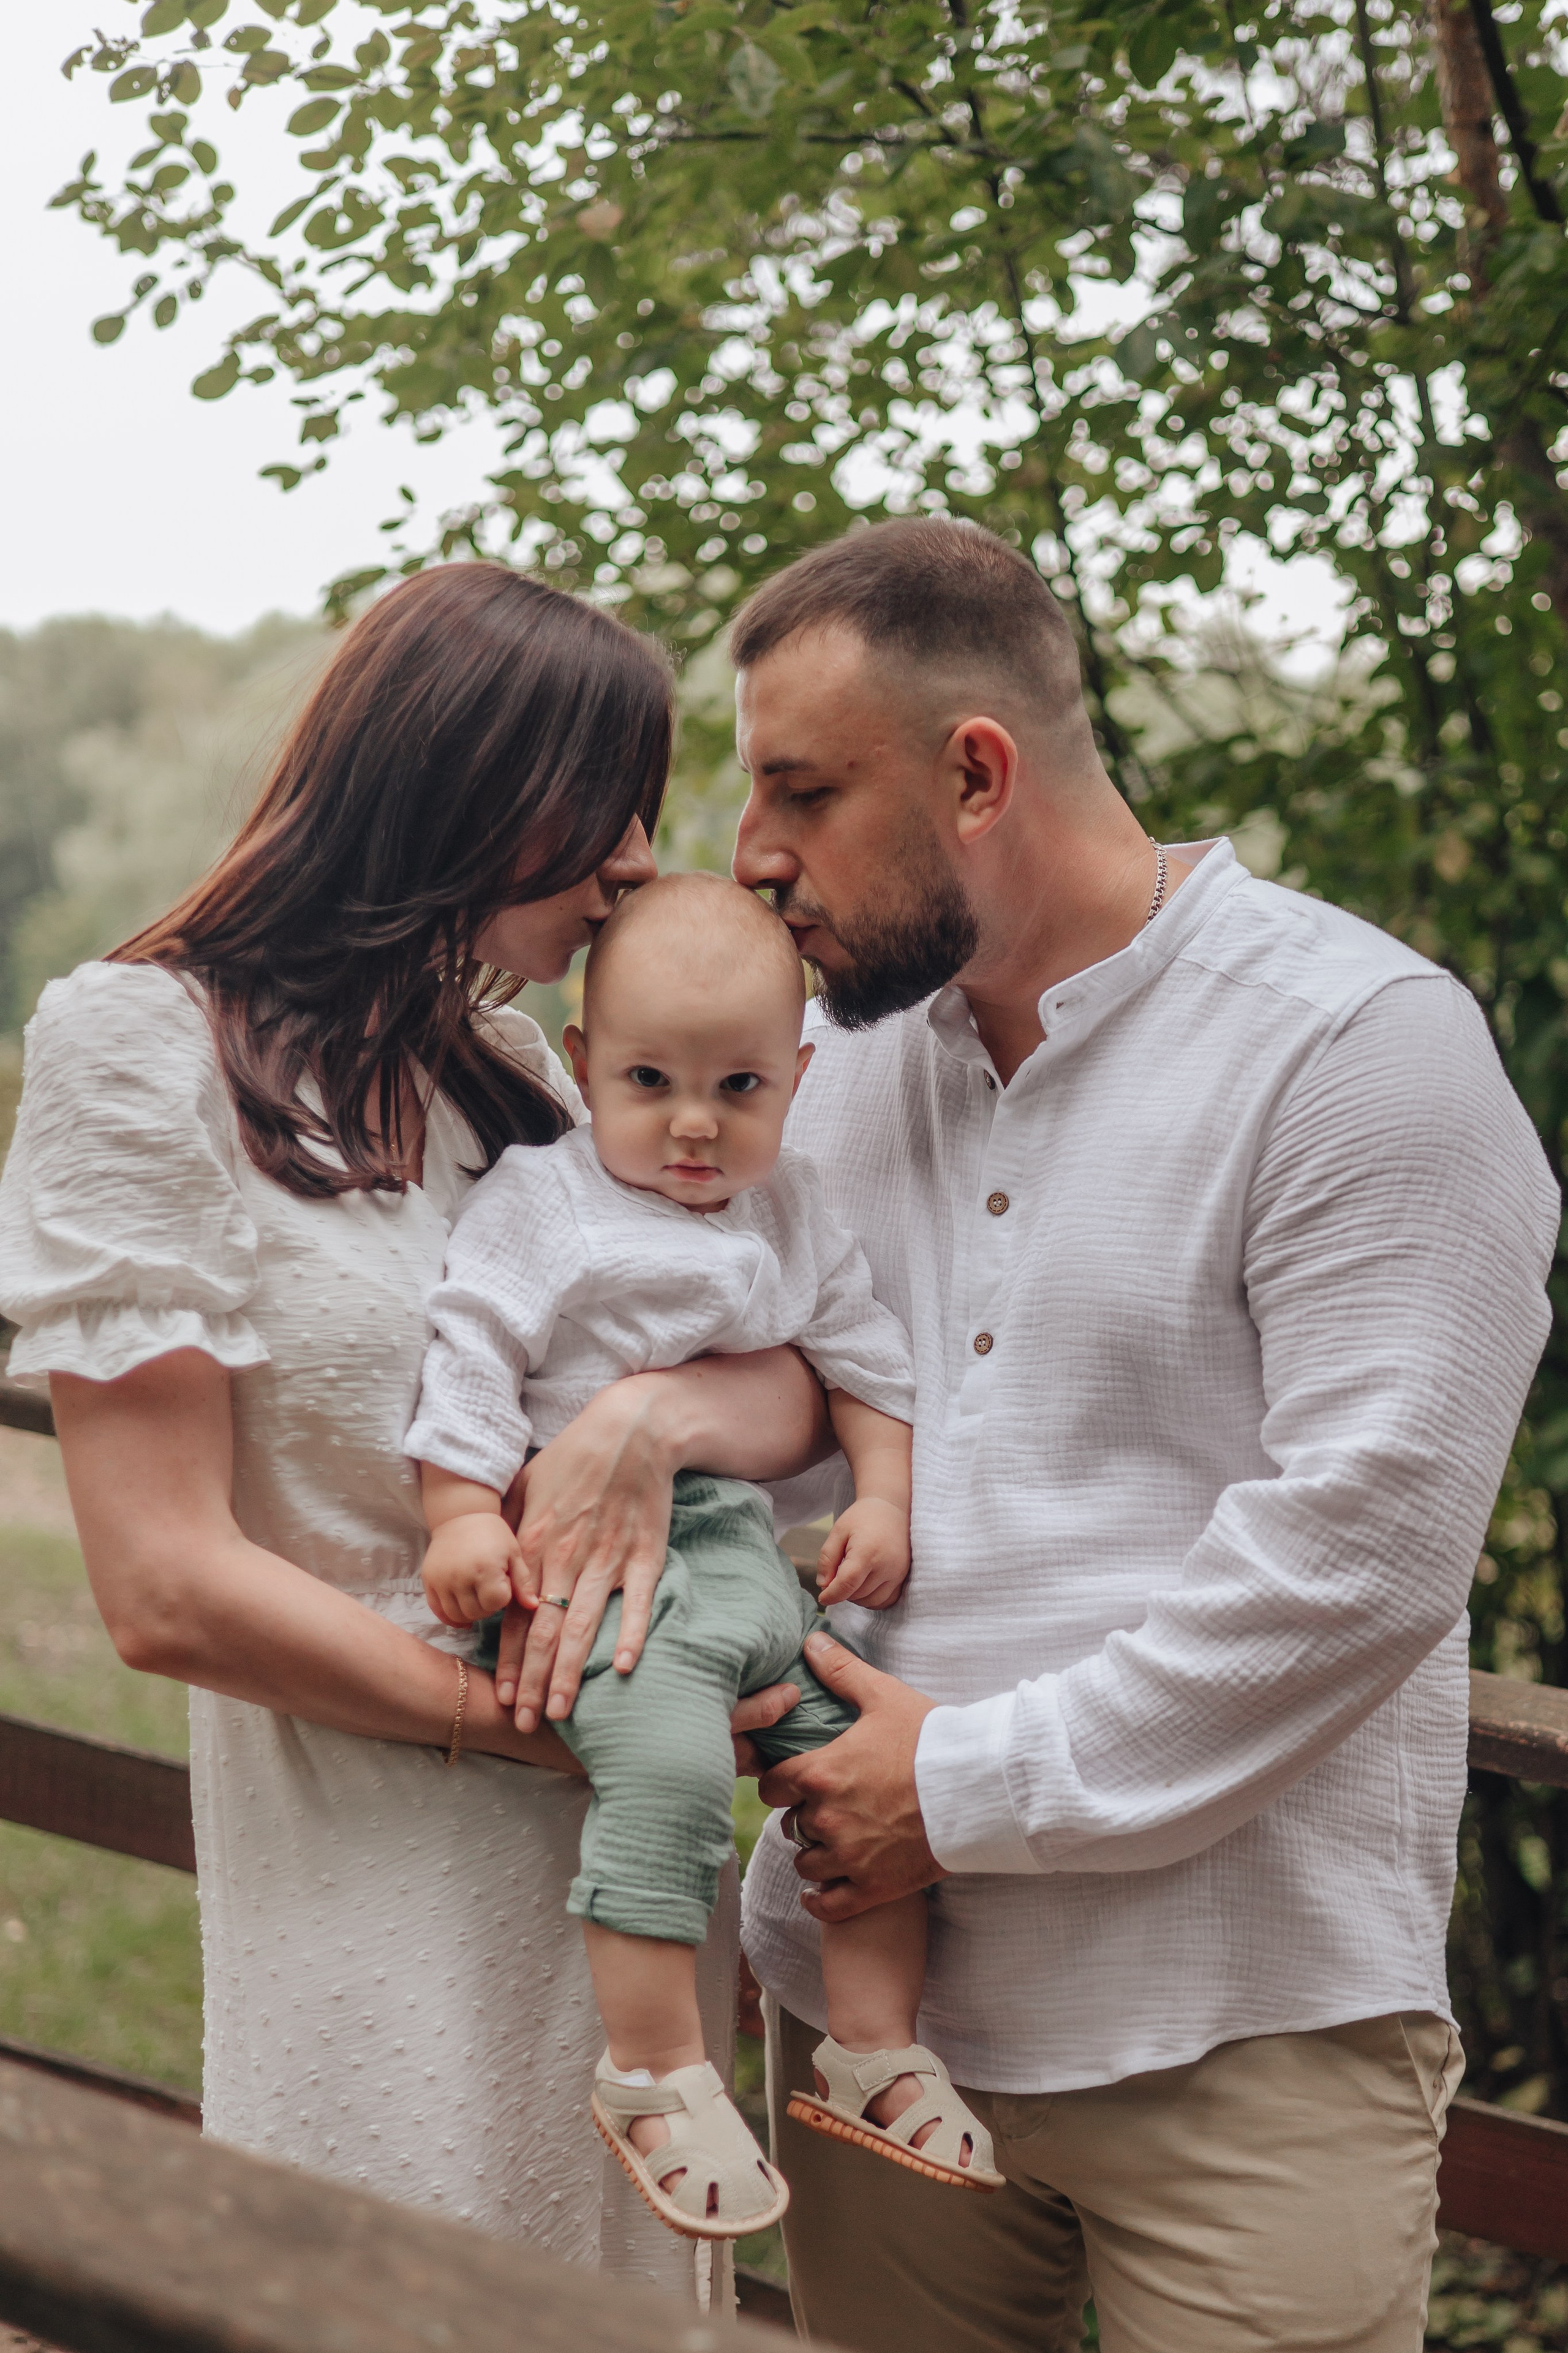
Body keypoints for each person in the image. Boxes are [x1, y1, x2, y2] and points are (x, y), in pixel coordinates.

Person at [713, 518, 1559, 2352]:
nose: (750, 854)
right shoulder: (833, 1065)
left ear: (977, 773)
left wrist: (950, 1789)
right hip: (868, 2013)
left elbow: (1362, 1552)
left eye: (799, 789)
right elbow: (775, 1416)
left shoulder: (1359, 1049)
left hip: (1248, 2025)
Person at [0, 564, 819, 2302]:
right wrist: (535, 1731)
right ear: (453, 775)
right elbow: (164, 1589)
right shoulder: (147, 1050)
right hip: (380, 1865)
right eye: (598, 799)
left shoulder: (521, 1075)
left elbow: (788, 1371)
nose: (631, 857)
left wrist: (656, 1420)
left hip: (620, 1887)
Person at [409, 871, 1001, 2242]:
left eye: (738, 1085)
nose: (693, 1122)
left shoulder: (790, 1208)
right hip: (586, 1574)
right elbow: (472, 1356)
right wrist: (458, 1518)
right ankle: (658, 2069)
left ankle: (869, 2046)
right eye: (649, 1079)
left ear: (796, 1076)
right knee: (668, 1771)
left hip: (736, 1553)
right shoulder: (543, 1203)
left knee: (852, 1762)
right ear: (582, 1066)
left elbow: (863, 1358)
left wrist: (886, 1498)